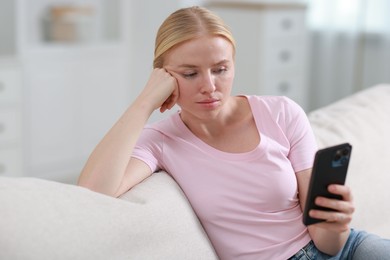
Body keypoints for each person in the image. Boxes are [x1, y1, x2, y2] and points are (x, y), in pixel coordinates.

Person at [78, 6, 390, 260]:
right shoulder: (160, 141)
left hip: (349, 249)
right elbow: (92, 193)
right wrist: (144, 102)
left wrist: (337, 223)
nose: (209, 86)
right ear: (163, 75)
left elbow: (328, 244)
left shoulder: (281, 113)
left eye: (220, 69)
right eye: (190, 73)